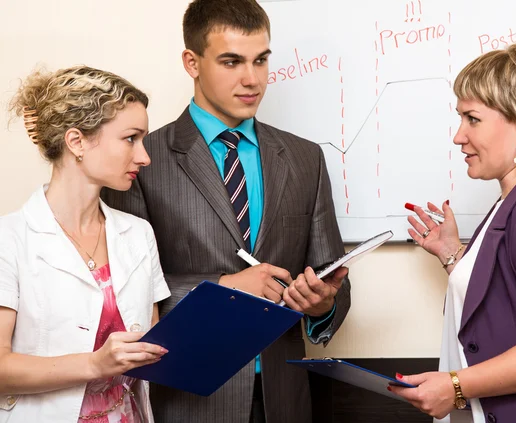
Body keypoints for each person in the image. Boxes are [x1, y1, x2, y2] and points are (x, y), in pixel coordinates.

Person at [101, 0, 351, 422]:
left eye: (260, 60)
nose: (252, 79)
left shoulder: (306, 158)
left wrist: (322, 304)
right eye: (232, 61)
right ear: (191, 62)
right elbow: (123, 293)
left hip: (285, 399)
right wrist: (224, 287)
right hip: (188, 399)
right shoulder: (141, 161)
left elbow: (333, 280)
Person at [388, 41, 516, 422]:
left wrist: (456, 385)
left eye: (472, 118)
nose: (458, 136)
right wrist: (454, 257)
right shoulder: (513, 202)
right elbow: (508, 307)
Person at [0, 66, 172, 423]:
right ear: (76, 141)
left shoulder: (138, 234)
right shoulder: (10, 239)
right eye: (130, 138)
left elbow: (150, 346)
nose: (144, 156)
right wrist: (94, 364)